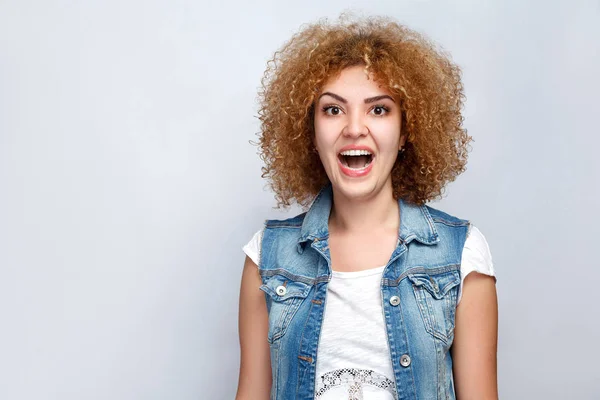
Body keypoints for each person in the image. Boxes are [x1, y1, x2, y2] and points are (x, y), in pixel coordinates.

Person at [236, 14, 498, 400]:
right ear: (311, 133)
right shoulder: (266, 256)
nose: (355, 127)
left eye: (378, 109)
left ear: (406, 130)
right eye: (333, 109)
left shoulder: (461, 255)